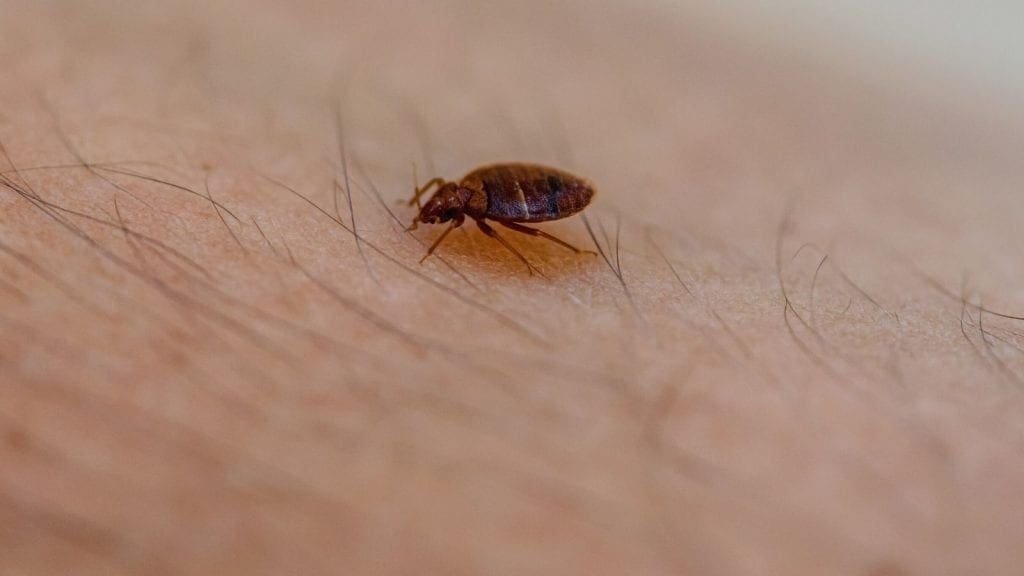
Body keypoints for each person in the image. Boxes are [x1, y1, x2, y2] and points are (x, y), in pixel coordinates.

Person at [2, 2, 1023, 574]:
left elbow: (524, 219)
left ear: (458, 212)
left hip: (549, 204)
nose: (439, 218)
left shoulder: (495, 214)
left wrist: (555, 250)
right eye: (445, 213)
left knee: (537, 246)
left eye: (441, 214)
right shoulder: (465, 199)